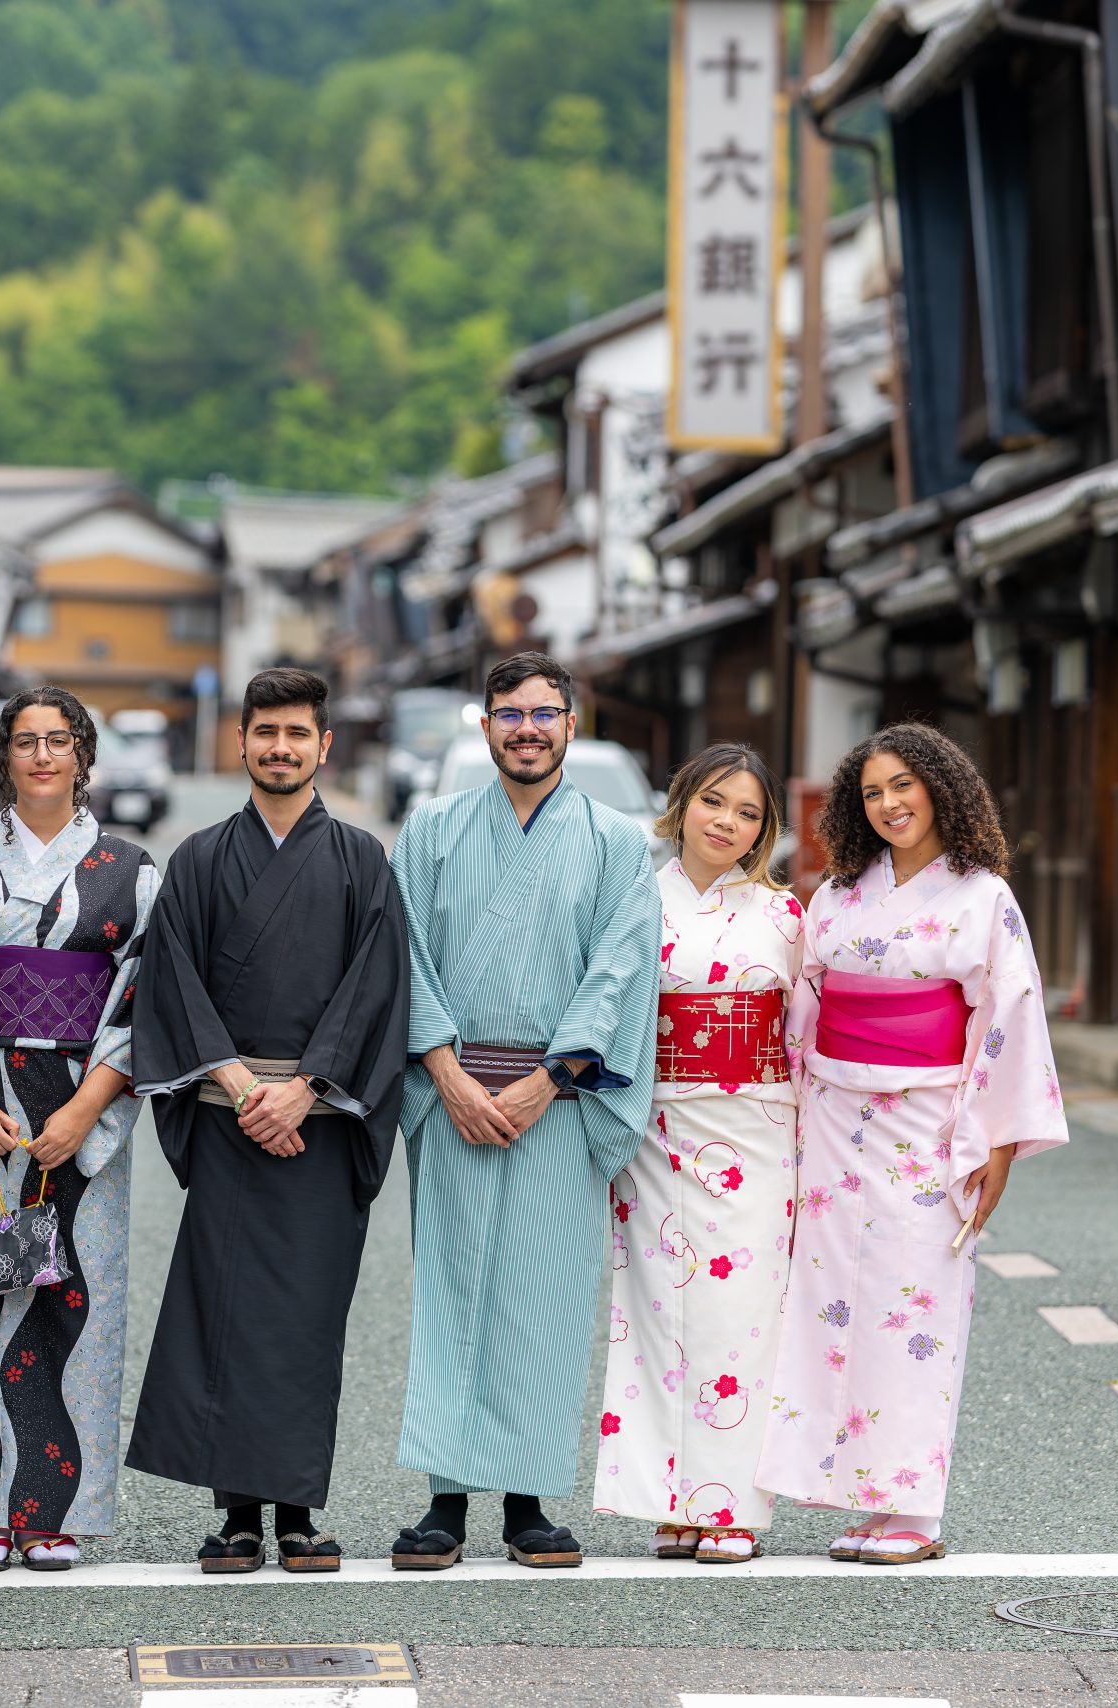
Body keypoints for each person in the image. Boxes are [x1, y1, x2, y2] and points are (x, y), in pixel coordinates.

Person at [754, 722, 1069, 1564]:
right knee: (830, 1306)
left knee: (914, 1305)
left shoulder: (982, 897)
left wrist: (994, 1144)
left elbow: (1007, 1016)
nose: (889, 804)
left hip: (926, 1122)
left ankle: (914, 1510)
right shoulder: (838, 894)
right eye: (872, 793)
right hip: (832, 1119)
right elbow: (805, 1005)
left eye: (904, 785)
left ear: (941, 788)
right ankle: (865, 1499)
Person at [126, 667, 408, 1575]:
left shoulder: (362, 860)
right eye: (265, 732)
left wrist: (308, 1088)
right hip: (227, 1114)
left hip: (319, 1122)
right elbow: (172, 982)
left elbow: (376, 988)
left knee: (304, 1320)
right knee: (224, 1311)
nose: (280, 748)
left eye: (297, 734)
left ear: (324, 746)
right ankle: (238, 1515)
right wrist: (246, 1088)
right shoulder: (199, 859)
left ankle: (298, 1512)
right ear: (240, 741)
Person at [389, 651, 658, 1571]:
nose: (528, 729)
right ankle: (444, 1503)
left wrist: (549, 1080)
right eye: (511, 714)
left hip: (560, 1097)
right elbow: (402, 957)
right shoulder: (431, 831)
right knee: (452, 1293)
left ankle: (529, 1503)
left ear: (571, 726)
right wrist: (445, 1074)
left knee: (544, 1299)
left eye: (545, 714)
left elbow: (619, 969)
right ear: (486, 725)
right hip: (452, 1092)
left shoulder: (617, 842)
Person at [0, 687, 156, 1572]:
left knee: (73, 1303)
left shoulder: (131, 870)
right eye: (25, 741)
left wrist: (85, 1110)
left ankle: (54, 1509)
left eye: (59, 741)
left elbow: (145, 993)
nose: (43, 756)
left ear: (83, 755)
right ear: (4, 755)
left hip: (81, 1100)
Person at [592, 743, 803, 1564]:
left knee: (741, 1318)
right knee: (652, 1315)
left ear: (764, 829)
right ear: (681, 804)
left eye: (748, 813)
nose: (727, 823)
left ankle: (730, 1505)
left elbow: (803, 1035)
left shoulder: (785, 916)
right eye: (714, 801)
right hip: (658, 1129)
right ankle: (670, 1502)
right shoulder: (636, 900)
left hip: (757, 1128)